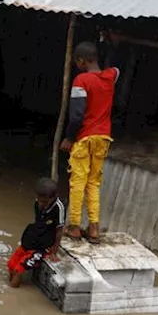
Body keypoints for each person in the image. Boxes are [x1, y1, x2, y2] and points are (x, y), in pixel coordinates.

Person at [60, 42, 118, 244]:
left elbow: (76, 115)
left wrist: (69, 137)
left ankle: (74, 226)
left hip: (84, 137)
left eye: (77, 61)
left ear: (81, 60)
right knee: (93, 182)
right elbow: (115, 67)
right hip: (103, 138)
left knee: (78, 182)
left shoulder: (81, 80)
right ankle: (93, 227)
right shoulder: (111, 76)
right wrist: (112, 42)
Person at [7, 177, 66, 288]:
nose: (41, 204)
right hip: (35, 238)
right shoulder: (37, 203)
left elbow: (59, 231)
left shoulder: (59, 208)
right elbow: (38, 222)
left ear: (52, 198)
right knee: (11, 265)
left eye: (44, 202)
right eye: (39, 200)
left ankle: (11, 291)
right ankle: (11, 284)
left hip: (44, 245)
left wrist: (54, 251)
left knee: (18, 270)